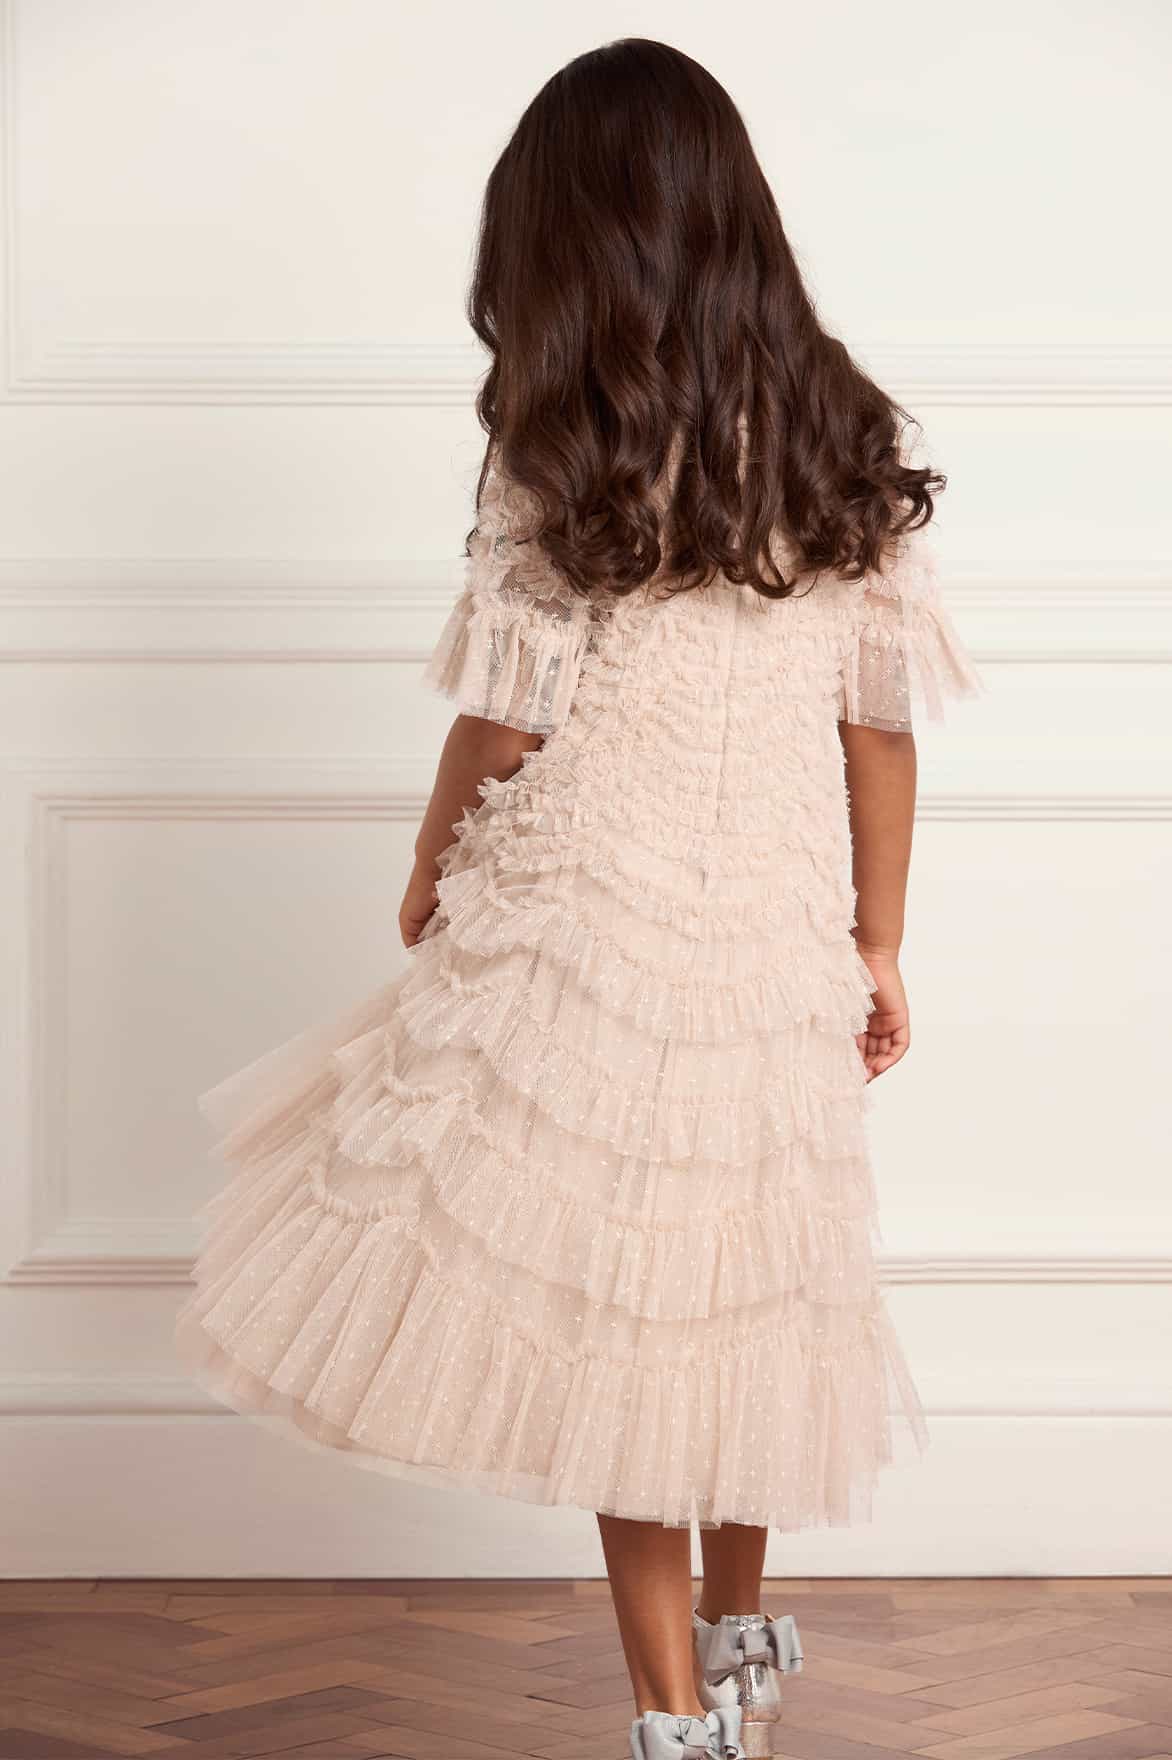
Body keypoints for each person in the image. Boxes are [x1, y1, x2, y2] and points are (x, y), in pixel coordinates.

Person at [175, 38, 981, 1760]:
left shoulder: (568, 444)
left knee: (630, 1307)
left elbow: (507, 716)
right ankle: (739, 1662)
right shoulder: (842, 438)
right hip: (770, 920)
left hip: (592, 906)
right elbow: (880, 728)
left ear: (568, 237)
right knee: (751, 1282)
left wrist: (426, 856)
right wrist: (878, 938)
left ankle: (672, 1716)